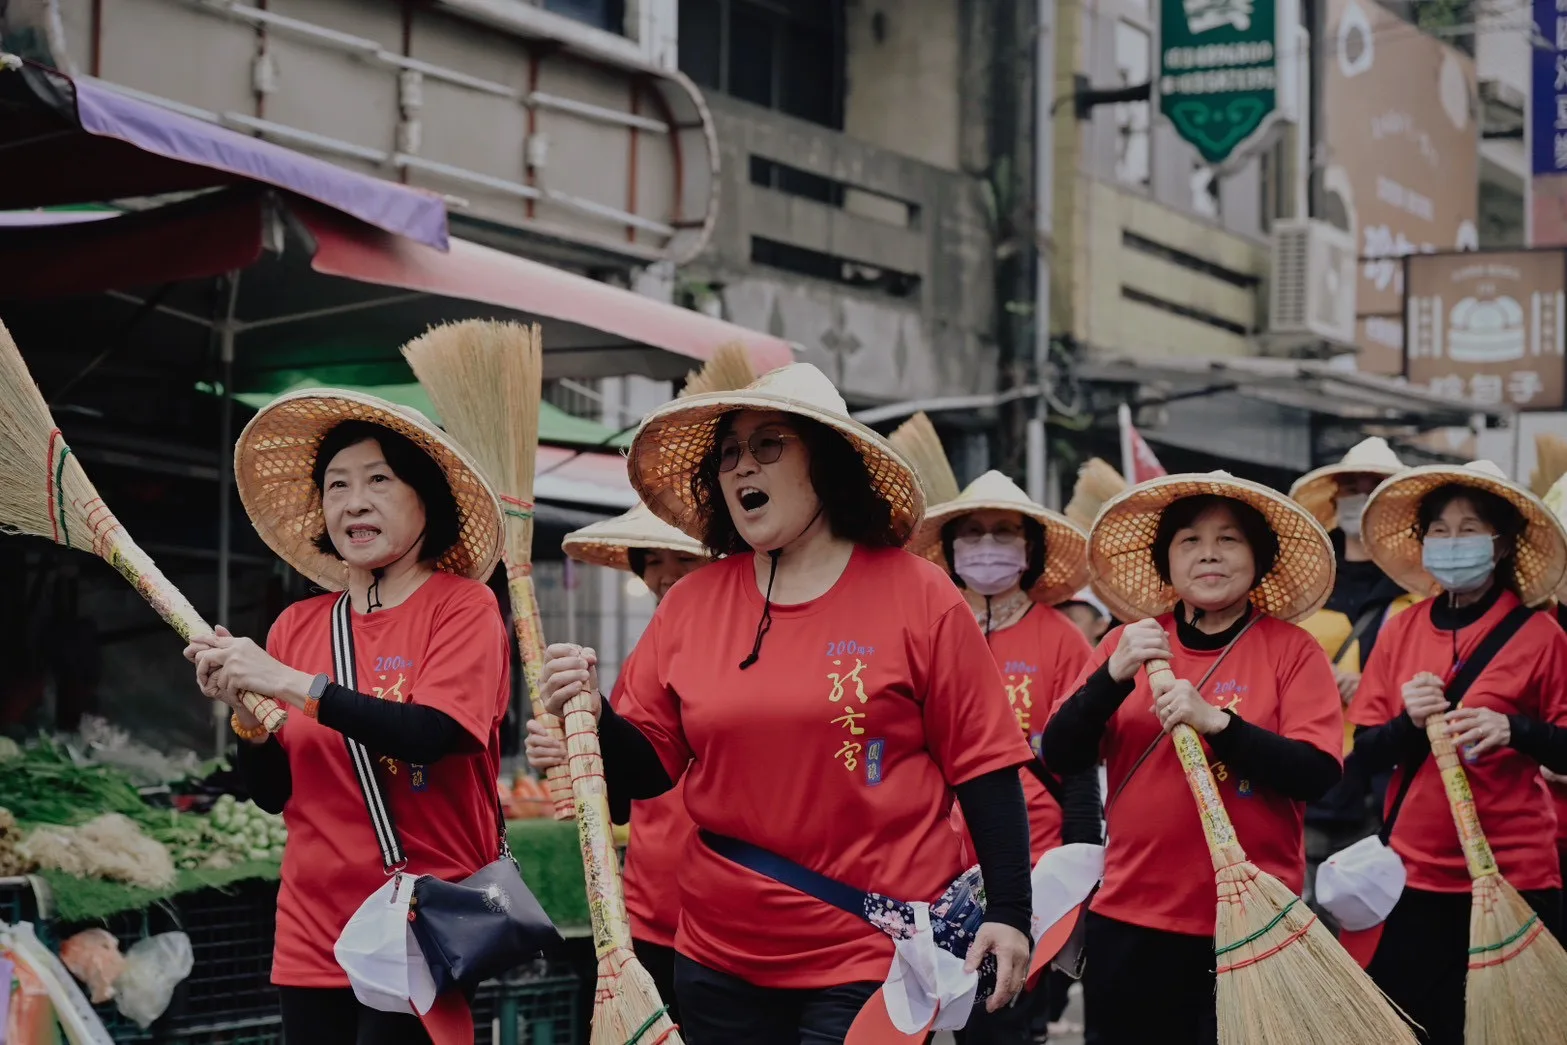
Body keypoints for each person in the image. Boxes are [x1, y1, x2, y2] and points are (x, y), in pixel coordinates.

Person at [537, 363, 1035, 1044]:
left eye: (768, 444)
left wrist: (1010, 909)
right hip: (716, 952)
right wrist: (593, 715)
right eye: (730, 453)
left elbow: (985, 763)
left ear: (824, 464)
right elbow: (649, 769)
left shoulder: (918, 595)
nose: (744, 464)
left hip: (871, 949)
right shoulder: (689, 604)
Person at [184, 391, 512, 1045]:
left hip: (422, 917)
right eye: (336, 486)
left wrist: (286, 681)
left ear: (427, 499)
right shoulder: (296, 624)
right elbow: (273, 792)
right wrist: (248, 715)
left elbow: (434, 734)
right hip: (312, 923)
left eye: (377, 480)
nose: (352, 501)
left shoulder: (463, 606)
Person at [1040, 472, 1343, 1045]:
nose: (1209, 554)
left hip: (1255, 924)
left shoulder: (1291, 650)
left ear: (1259, 557)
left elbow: (1317, 773)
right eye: (1189, 541)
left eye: (1229, 540)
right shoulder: (1126, 644)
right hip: (1130, 919)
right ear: (1167, 561)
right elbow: (1059, 752)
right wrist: (1110, 677)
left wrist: (1217, 724)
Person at [1347, 460, 1567, 1045]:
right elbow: (1361, 754)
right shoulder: (1399, 629)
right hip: (1414, 878)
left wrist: (1517, 730)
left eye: (1469, 529)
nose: (1451, 543)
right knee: (1410, 1027)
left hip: (1515, 876)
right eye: (1438, 532)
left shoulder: (1542, 636)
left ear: (1500, 546)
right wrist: (1411, 723)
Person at [907, 469, 1098, 1045]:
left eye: (1003, 532)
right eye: (973, 532)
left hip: (1031, 868)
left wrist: (1082, 868)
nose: (987, 544)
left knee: (1003, 1022)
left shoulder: (1063, 639)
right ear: (950, 547)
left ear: (1029, 549)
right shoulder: (927, 628)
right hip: (926, 865)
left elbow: (1080, 761)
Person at [524, 502, 707, 1021]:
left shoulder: (745, 657)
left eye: (682, 559)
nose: (664, 575)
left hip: (726, 921)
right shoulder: (640, 663)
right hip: (646, 914)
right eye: (650, 560)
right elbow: (626, 798)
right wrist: (572, 752)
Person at [1288, 438, 1420, 917]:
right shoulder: (1305, 585)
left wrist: (1371, 688)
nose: (1359, 498)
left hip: (1381, 781)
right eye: (1351, 488)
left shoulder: (1418, 591)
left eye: (1373, 488)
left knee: (1373, 926)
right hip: (1306, 776)